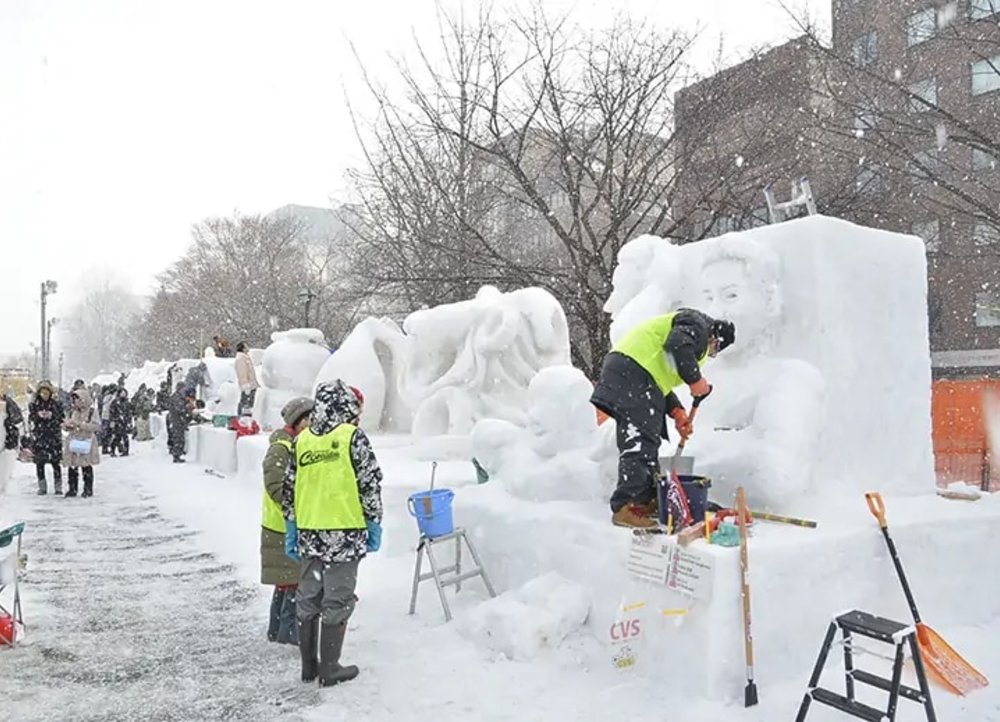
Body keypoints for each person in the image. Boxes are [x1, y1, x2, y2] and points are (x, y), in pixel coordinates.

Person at [590, 309, 736, 529]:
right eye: (714, 350)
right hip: (634, 371)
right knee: (640, 440)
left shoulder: (683, 332)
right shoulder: (697, 324)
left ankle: (644, 499)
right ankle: (626, 506)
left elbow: (661, 381)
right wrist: (696, 380)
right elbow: (677, 345)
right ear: (714, 338)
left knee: (646, 438)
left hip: (633, 372)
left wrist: (677, 411)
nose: (711, 354)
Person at [282, 379, 383, 687]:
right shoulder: (352, 437)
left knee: (309, 596)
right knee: (337, 599)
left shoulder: (302, 441)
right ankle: (330, 668)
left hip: (309, 533)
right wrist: (374, 523)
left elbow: (289, 490)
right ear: (346, 406)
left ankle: (309, 666)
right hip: (345, 532)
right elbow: (369, 484)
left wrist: (291, 528)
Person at [260, 396, 313, 646]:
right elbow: (276, 486)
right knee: (293, 583)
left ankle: (277, 630)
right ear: (298, 421)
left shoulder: (293, 444)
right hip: (281, 526)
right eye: (308, 419)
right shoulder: (282, 447)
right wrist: (299, 506)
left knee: (286, 582)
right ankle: (289, 634)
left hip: (283, 524)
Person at [63, 387, 101, 498]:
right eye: (74, 399)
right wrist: (67, 426)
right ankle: (72, 488)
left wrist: (80, 425)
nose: (76, 402)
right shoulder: (74, 411)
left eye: (78, 399)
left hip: (86, 441)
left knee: (86, 466)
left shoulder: (92, 412)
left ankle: (88, 489)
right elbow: (71, 424)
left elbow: (96, 427)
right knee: (73, 466)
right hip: (74, 440)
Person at [29, 381, 64, 495]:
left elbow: (61, 418)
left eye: (46, 393)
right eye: (42, 393)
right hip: (40, 436)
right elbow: (31, 418)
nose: (44, 395)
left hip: (53, 436)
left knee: (55, 462)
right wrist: (38, 416)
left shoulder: (55, 404)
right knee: (40, 462)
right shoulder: (35, 404)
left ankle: (58, 486)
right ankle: (42, 486)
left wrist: (52, 416)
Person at [167, 382, 195, 463]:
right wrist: (188, 408)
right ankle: (176, 456)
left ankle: (177, 453)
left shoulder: (179, 397)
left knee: (179, 438)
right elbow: (180, 408)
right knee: (178, 439)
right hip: (177, 421)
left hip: (178, 420)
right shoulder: (177, 397)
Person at [235, 342, 259, 416]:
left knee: (249, 403)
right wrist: (245, 385)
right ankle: (242, 418)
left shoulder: (245, 357)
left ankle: (245, 418)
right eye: (246, 346)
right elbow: (242, 373)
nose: (248, 348)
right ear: (243, 348)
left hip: (251, 384)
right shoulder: (241, 359)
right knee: (245, 403)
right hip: (248, 385)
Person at [108, 386, 132, 457]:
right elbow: (111, 412)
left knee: (125, 437)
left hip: (124, 422)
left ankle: (126, 451)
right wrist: (113, 420)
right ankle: (112, 451)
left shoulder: (127, 402)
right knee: (116, 437)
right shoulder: (115, 402)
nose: (123, 394)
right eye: (122, 393)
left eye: (124, 393)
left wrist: (129, 421)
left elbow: (129, 412)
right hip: (117, 422)